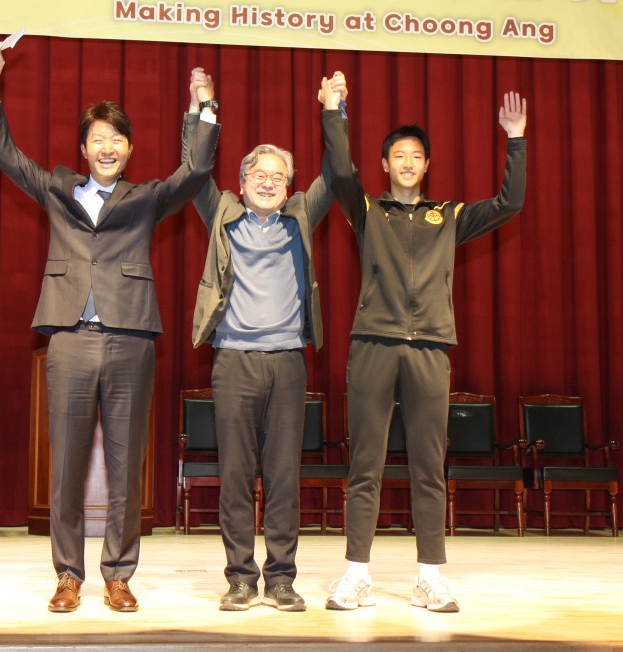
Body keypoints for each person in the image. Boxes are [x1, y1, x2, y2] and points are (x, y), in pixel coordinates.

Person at [0, 44, 220, 613]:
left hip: (131, 337)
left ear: (129, 149)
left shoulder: (146, 198)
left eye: (117, 139)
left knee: (125, 463)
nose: (107, 147)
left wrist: (202, 108)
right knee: (65, 464)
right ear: (83, 150)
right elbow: (7, 154)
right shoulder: (57, 189)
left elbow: (196, 170)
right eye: (97, 139)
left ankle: (118, 574)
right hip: (69, 338)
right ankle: (68, 574)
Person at [320, 72, 527, 613]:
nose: (407, 162)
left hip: (430, 348)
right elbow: (339, 170)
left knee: (428, 466)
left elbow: (510, 203)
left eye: (416, 155)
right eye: (398, 156)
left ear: (427, 164)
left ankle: (430, 577)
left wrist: (516, 139)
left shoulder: (450, 216)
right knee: (365, 464)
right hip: (373, 344)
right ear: (384, 165)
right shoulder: (367, 210)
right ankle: (356, 575)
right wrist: (334, 112)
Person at [181, 68, 335, 612]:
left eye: (278, 176)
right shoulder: (221, 212)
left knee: (285, 477)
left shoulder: (301, 217)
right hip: (234, 362)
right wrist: (203, 108)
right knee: (235, 476)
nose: (268, 182)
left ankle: (283, 578)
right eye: (258, 173)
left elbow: (337, 172)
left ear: (289, 186)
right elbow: (194, 169)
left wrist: (333, 110)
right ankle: (241, 578)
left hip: (288, 362)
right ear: (242, 179)